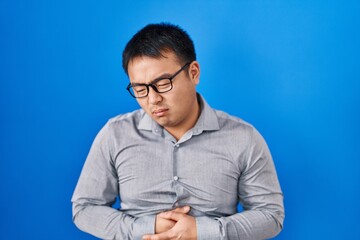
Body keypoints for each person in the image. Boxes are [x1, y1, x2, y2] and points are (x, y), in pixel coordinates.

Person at [72, 22, 284, 240]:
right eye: (139, 89)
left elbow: (271, 215)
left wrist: (202, 232)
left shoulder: (243, 138)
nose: (153, 99)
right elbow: (85, 209)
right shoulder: (115, 134)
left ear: (193, 73)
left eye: (163, 83)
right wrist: (147, 227)